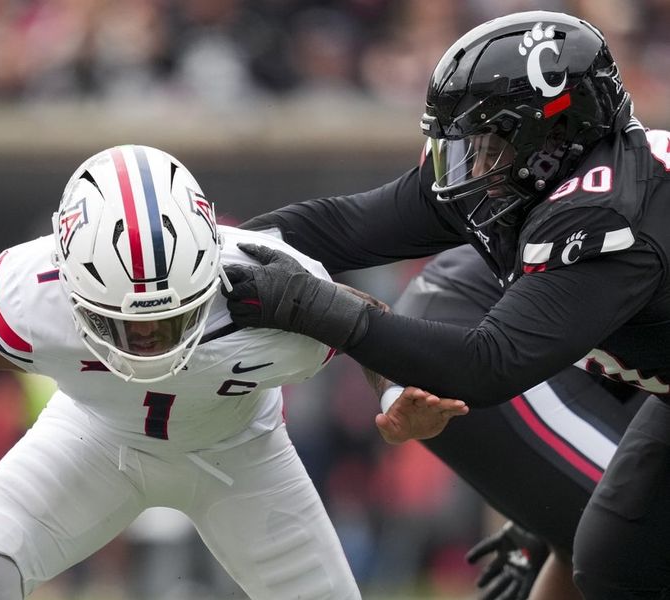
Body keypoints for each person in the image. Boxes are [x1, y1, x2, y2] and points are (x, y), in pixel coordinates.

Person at [0, 145, 408, 599]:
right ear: (70, 285)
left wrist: (398, 395)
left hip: (243, 456)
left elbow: (371, 329)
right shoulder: (30, 291)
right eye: (124, 324)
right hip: (94, 438)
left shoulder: (271, 283)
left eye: (171, 319)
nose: (147, 343)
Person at [222, 10, 670, 599]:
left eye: (486, 147)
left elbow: (488, 364)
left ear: (552, 141)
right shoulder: (538, 179)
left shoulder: (606, 215)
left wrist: (316, 308)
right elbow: (347, 226)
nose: (470, 168)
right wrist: (211, 255)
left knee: (618, 553)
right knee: (615, 560)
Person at [382, 245, 646, 600]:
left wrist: (547, 513)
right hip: (472, 318)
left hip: (490, 309)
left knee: (605, 539)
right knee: (644, 531)